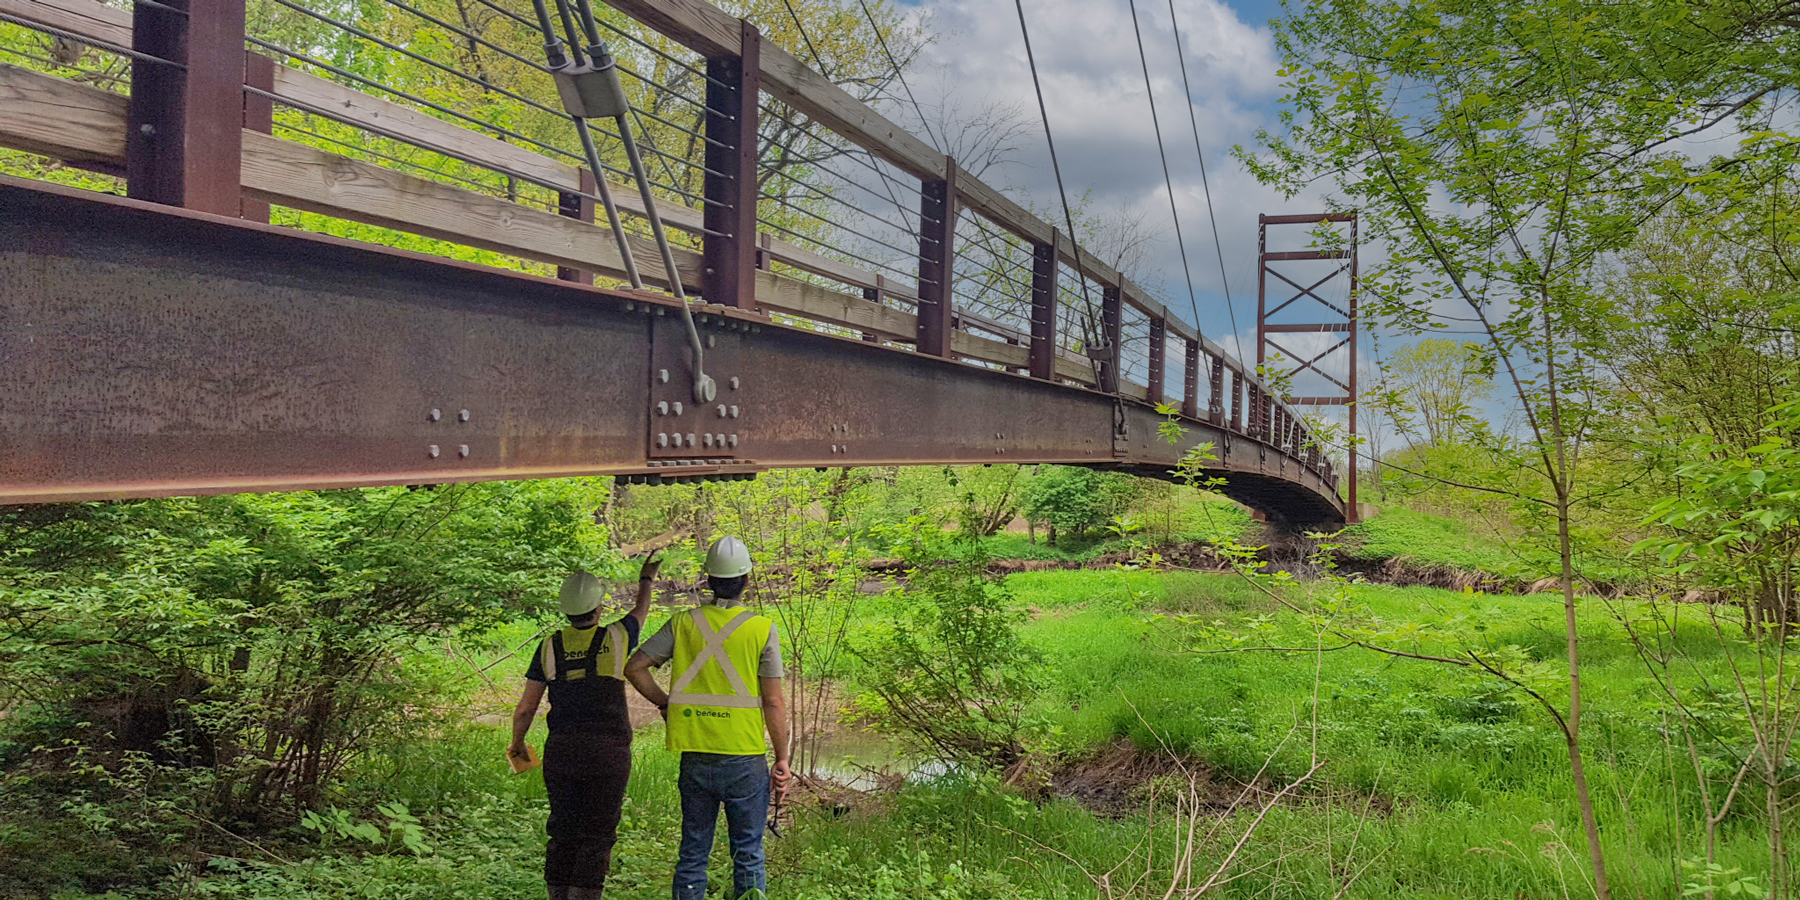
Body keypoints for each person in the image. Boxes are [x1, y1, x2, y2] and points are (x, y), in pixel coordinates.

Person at [624, 536, 792, 900]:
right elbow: (774, 703)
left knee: (693, 852)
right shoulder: (762, 629)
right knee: (748, 853)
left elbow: (635, 667)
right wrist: (782, 758)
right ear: (747, 579)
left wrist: (665, 704)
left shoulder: (683, 623)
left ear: (709, 580)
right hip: (744, 758)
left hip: (696, 754)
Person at [510, 555, 661, 900]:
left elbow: (525, 708)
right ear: (598, 606)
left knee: (563, 831)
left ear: (566, 609)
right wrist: (646, 580)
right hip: (608, 756)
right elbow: (641, 611)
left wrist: (518, 744)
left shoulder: (548, 646)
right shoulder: (619, 637)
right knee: (597, 835)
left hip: (561, 754)